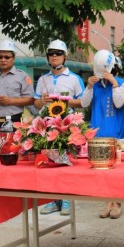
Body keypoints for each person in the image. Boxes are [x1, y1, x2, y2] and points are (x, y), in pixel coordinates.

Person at [34, 39, 85, 216]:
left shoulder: (74, 78)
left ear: (65, 56)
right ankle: (53, 200)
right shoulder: (43, 79)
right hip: (47, 126)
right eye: (51, 54)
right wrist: (42, 101)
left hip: (67, 126)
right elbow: (35, 102)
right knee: (50, 163)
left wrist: (65, 100)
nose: (54, 57)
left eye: (58, 53)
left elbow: (83, 101)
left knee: (66, 163)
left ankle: (67, 200)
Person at [82, 52, 124, 219]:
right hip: (98, 134)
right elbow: (84, 103)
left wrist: (114, 83)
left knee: (116, 172)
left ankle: (117, 203)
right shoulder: (95, 85)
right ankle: (107, 202)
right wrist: (88, 87)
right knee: (102, 172)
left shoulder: (122, 83)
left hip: (116, 134)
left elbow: (118, 102)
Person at [0, 40, 35, 154]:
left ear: (13, 58)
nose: (3, 60)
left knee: (13, 155)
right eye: (0, 57)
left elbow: (30, 100)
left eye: (7, 57)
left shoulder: (22, 76)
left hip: (14, 123)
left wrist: (10, 101)